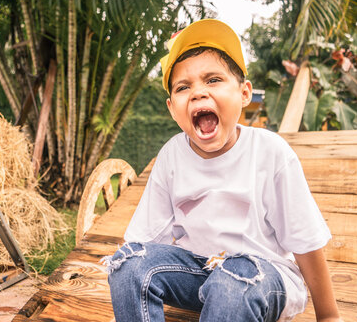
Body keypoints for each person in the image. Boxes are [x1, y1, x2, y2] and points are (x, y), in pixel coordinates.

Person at [103, 19, 341, 322]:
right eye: (183, 87)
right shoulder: (171, 156)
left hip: (262, 278)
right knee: (127, 261)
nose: (198, 92)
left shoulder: (271, 152)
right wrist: (129, 300)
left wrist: (329, 315)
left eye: (213, 80)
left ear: (244, 93)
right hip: (199, 272)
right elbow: (143, 243)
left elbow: (305, 241)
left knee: (233, 279)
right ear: (172, 108)